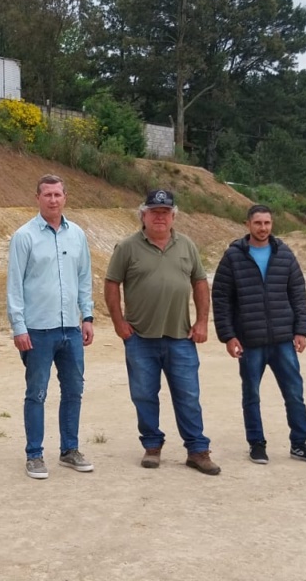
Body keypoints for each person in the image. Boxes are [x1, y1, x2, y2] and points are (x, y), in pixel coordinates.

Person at [104, 190, 219, 475]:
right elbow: (111, 284)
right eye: (154, 211)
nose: (159, 216)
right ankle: (152, 446)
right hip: (140, 337)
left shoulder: (187, 245)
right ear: (143, 214)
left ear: (173, 216)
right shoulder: (128, 247)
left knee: (188, 395)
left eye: (165, 212)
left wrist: (203, 322)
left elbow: (201, 283)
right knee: (143, 394)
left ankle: (197, 450)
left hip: (181, 336)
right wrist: (119, 322)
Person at [211, 204, 306, 466]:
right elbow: (221, 299)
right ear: (247, 225)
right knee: (251, 394)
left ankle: (299, 444)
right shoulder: (233, 257)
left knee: (294, 393)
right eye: (257, 223)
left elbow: (298, 294)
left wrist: (301, 330)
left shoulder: (284, 255)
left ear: (271, 225)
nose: (263, 228)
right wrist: (228, 336)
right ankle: (257, 444)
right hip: (250, 340)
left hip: (282, 340)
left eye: (267, 223)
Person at [7, 173, 95, 480]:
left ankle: (70, 449)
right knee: (37, 392)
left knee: (74, 390)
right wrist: (18, 327)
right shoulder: (24, 236)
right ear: (37, 198)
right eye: (47, 195)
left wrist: (87, 316)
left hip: (71, 327)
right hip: (37, 330)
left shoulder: (78, 235)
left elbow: (84, 278)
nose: (53, 200)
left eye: (58, 194)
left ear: (65, 197)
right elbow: (14, 285)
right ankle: (34, 454)